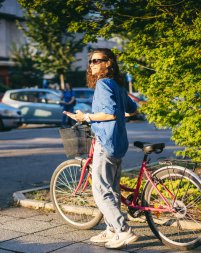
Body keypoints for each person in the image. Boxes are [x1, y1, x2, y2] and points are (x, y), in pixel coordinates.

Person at [63, 48, 138, 249]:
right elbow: (132, 109)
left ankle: (123, 231)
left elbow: (109, 114)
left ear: (108, 63)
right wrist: (114, 117)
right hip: (118, 143)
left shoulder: (104, 84)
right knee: (112, 190)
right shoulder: (117, 85)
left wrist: (85, 117)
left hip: (106, 143)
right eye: (91, 61)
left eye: (97, 60)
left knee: (100, 190)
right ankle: (111, 230)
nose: (92, 64)